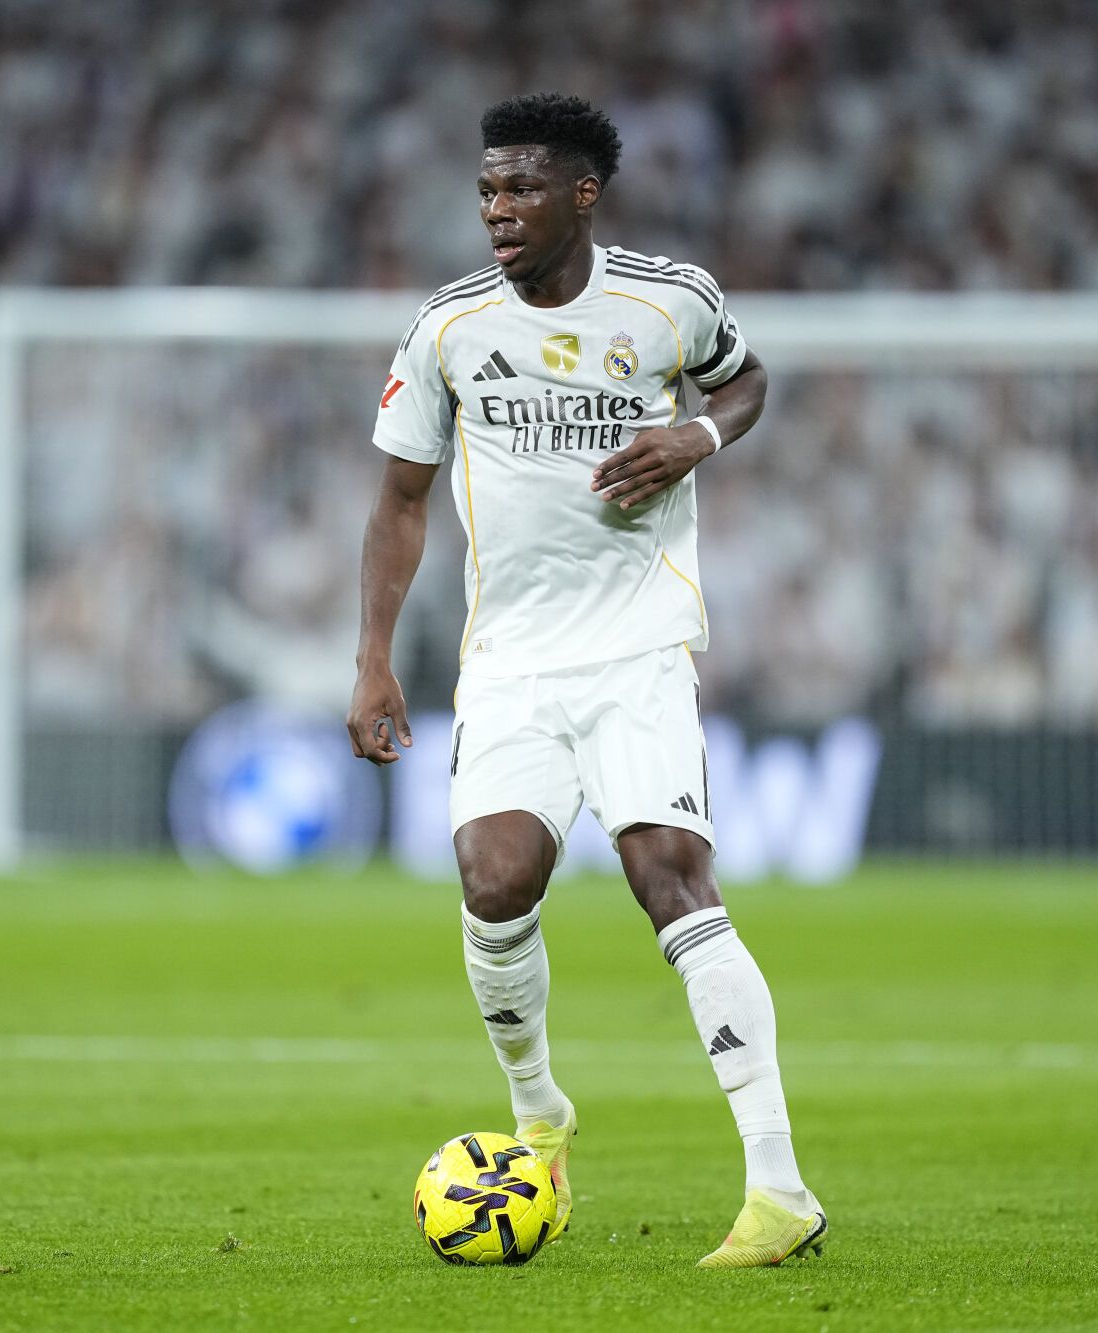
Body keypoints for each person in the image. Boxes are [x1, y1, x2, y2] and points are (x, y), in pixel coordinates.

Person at [346, 92, 826, 1269]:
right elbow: (399, 500)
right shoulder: (447, 327)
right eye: (483, 191)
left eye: (517, 190)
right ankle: (539, 1115)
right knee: (494, 879)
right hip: (507, 658)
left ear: (580, 194)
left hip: (637, 645)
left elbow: (747, 378)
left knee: (668, 870)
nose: (495, 211)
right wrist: (370, 662)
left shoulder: (669, 300)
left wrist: (697, 437)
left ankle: (778, 1190)